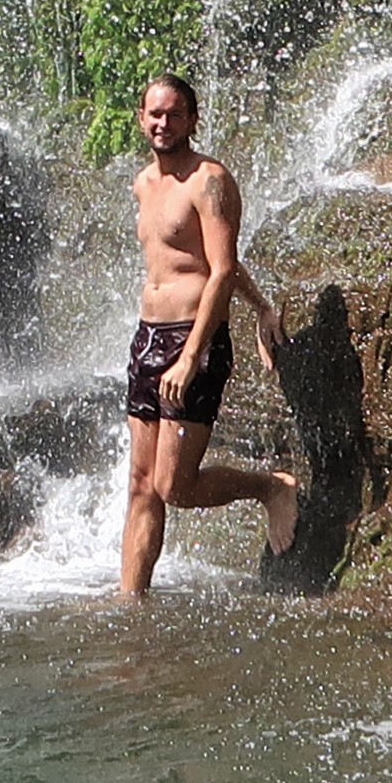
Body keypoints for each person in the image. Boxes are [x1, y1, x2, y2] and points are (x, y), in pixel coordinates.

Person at [118, 74, 301, 597]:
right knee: (140, 484)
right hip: (147, 339)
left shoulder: (209, 180)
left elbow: (219, 269)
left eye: (174, 114)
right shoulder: (143, 184)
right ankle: (129, 602)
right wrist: (263, 304)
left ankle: (269, 486)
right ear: (141, 118)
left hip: (191, 342)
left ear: (193, 120)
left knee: (173, 485)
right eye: (155, 113)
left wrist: (191, 355)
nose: (163, 123)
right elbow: (191, 257)